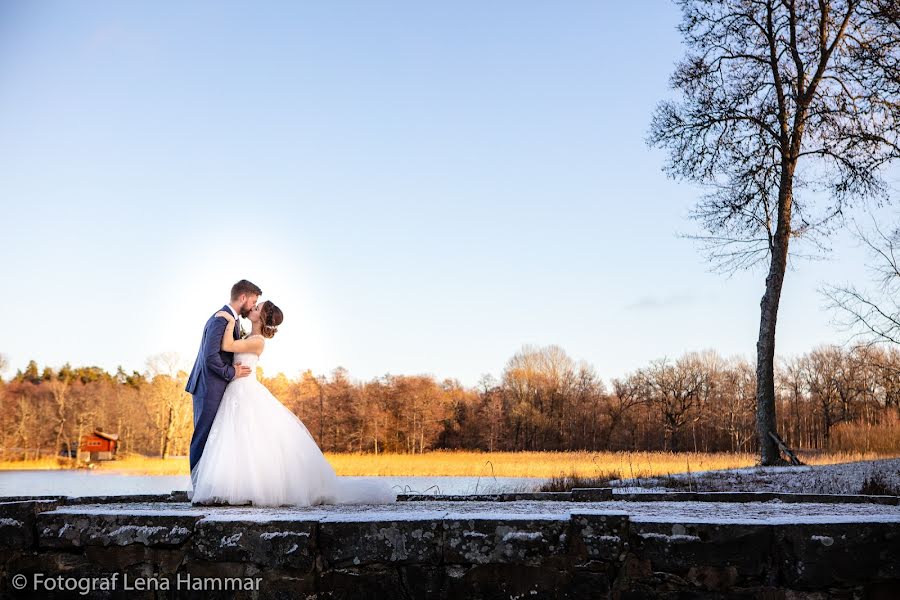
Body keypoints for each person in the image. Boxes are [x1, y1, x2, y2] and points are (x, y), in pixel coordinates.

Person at [190, 299, 397, 506]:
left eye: (257, 308)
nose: (253, 308)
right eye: (255, 306)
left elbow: (227, 345)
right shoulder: (248, 336)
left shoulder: (258, 341)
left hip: (244, 390)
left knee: (249, 434)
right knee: (235, 437)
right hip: (234, 390)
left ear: (261, 317)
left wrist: (227, 318)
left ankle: (252, 488)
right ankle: (234, 486)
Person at [186, 279, 261, 485]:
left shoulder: (231, 320)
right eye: (253, 300)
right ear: (243, 297)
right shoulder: (221, 319)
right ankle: (198, 488)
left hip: (217, 385)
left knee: (215, 436)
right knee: (203, 436)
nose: (253, 306)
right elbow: (210, 356)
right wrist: (232, 372)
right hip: (209, 386)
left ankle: (210, 485)